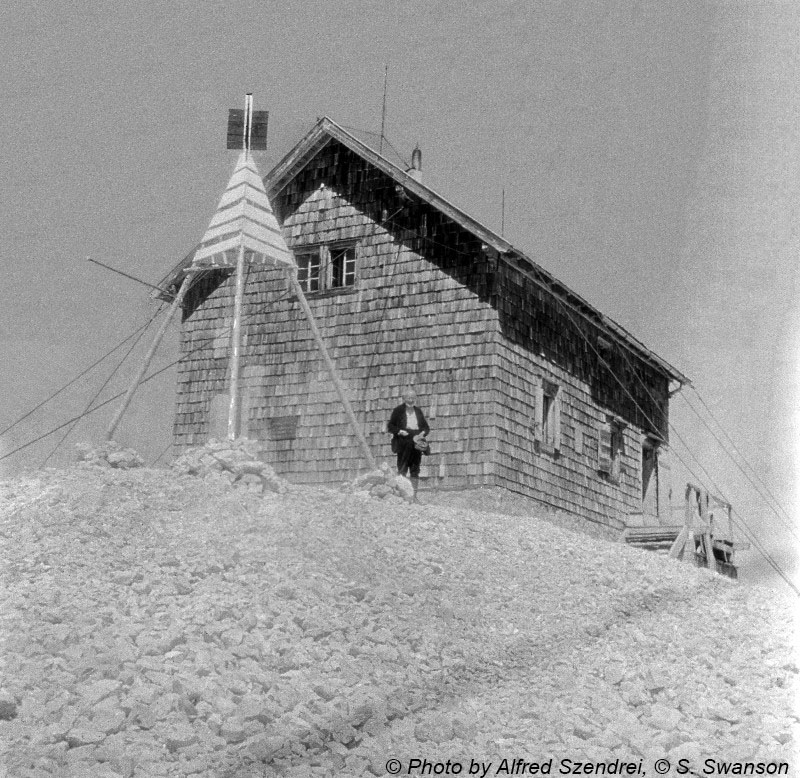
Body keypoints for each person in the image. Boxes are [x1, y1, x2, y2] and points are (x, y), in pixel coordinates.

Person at [387, 387, 430, 499]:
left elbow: (426, 428)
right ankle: (402, 495)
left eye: (413, 398)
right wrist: (400, 432)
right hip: (403, 441)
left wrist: (422, 434)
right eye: (408, 398)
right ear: (404, 398)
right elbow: (390, 426)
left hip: (416, 442)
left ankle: (414, 496)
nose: (411, 400)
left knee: (415, 469)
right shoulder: (398, 410)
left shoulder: (418, 411)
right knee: (402, 468)